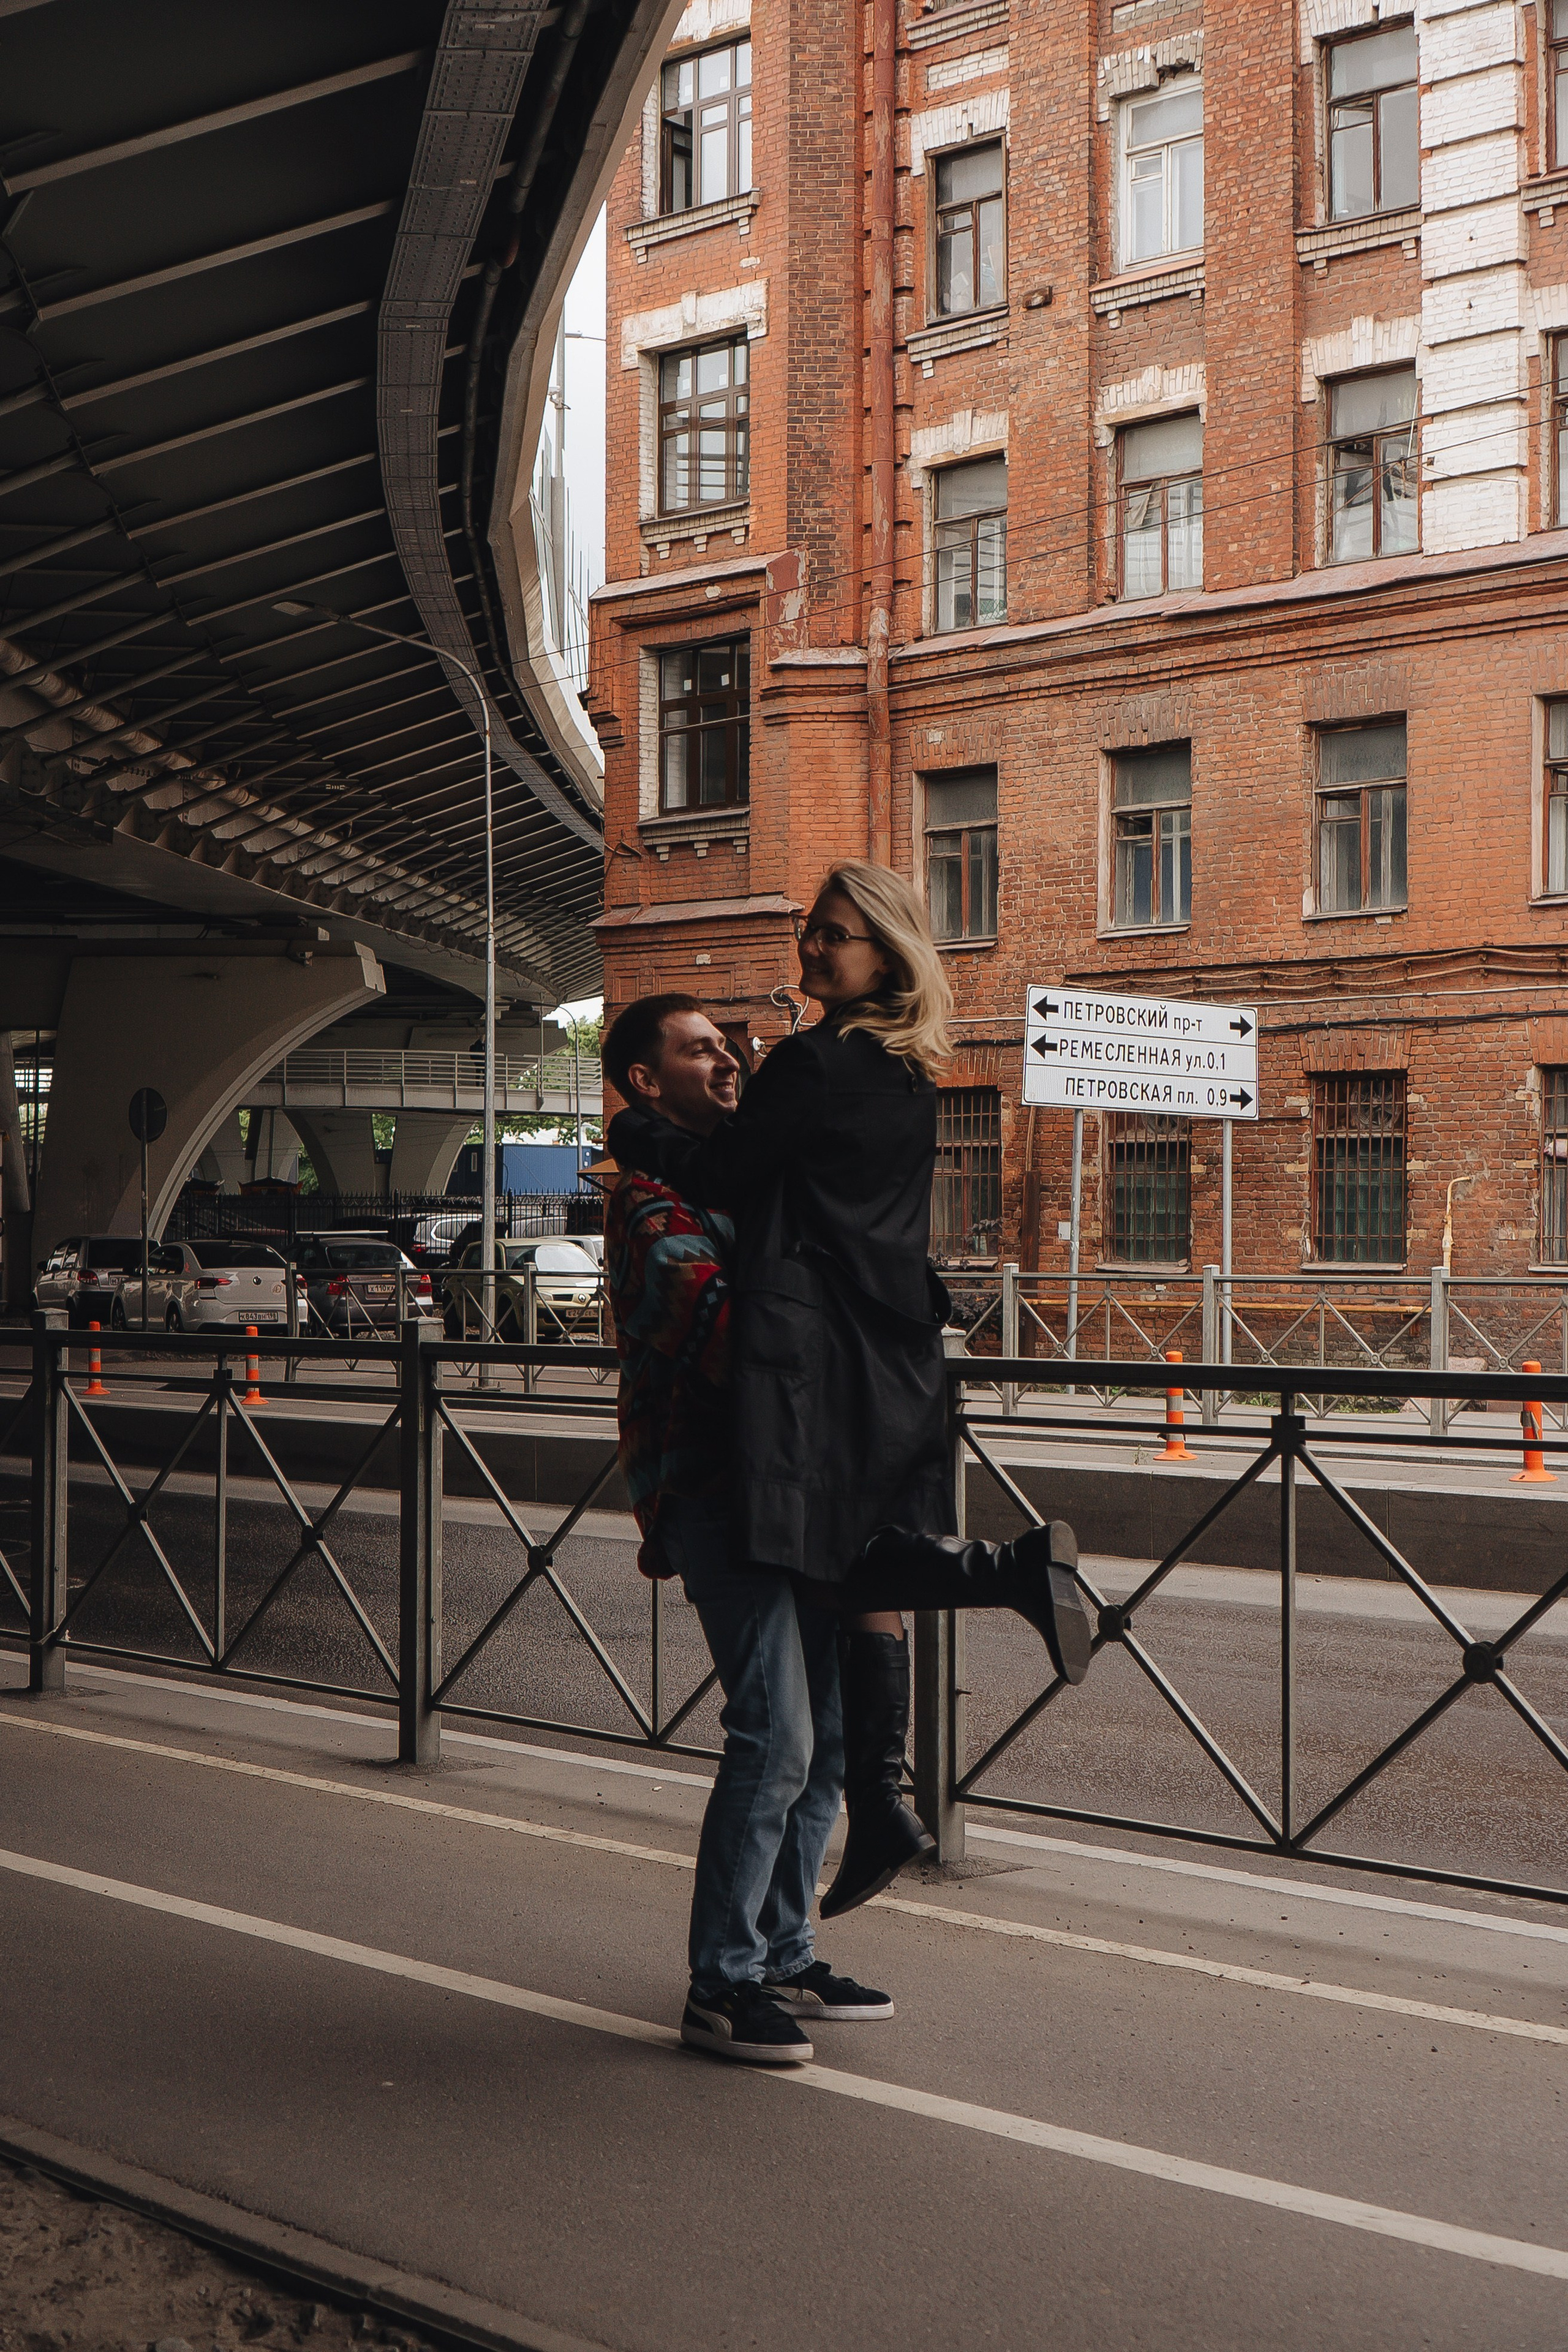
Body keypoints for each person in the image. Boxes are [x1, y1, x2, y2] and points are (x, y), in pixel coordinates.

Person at [607, 863, 1096, 1915]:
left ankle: (1005, 1577)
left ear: (888, 947)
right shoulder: (907, 1071)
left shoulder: (818, 1063)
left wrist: (632, 1134)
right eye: (812, 933)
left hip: (806, 1366)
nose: (814, 950)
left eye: (836, 935)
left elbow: (732, 1176)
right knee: (851, 1582)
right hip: (893, 1354)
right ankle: (881, 1799)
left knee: (818, 1624)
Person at [601, 991, 895, 2067]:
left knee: (815, 1743)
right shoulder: (647, 1205)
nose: (727, 1063)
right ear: (646, 1080)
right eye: (698, 1050)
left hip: (799, 1492)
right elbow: (735, 1336)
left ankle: (781, 1950)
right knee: (773, 1735)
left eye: (730, 1047)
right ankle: (719, 1982)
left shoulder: (748, 1183)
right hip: (720, 1494)